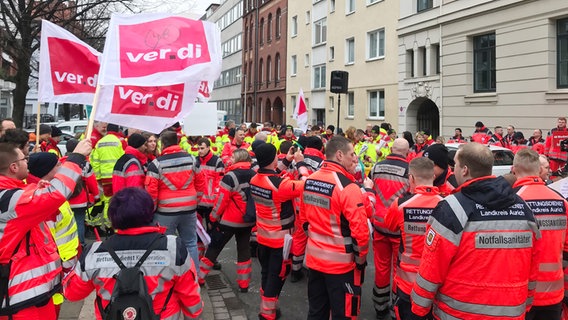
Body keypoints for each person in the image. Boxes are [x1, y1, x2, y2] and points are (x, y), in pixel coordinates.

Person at [411, 143, 541, 319]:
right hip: (511, 312)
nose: (453, 169)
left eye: (455, 164)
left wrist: (419, 308)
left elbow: (432, 266)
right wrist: (526, 302)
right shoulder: (523, 209)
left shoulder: (452, 208)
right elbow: (533, 264)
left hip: (458, 313)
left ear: (464, 170)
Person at [63, 187, 203, 319]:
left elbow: (72, 294)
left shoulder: (93, 253)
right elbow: (191, 299)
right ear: (150, 212)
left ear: (113, 217)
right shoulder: (173, 248)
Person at [0, 139, 91, 320]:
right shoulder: (8, 198)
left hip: (29, 295)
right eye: (24, 159)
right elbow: (56, 195)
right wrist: (76, 158)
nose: (28, 161)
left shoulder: (11, 195)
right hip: (21, 300)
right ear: (13, 167)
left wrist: (36, 189)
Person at [299, 135, 374, 320]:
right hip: (342, 267)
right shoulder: (348, 188)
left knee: (317, 312)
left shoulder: (310, 180)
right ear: (339, 155)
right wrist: (360, 259)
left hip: (315, 261)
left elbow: (304, 220)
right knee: (345, 314)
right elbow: (361, 233)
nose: (355, 159)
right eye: (352, 154)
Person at [250, 143, 305, 320]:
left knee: (266, 273)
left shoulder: (255, 179)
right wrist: (300, 164)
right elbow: (306, 184)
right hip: (281, 241)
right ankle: (267, 313)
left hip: (263, 236)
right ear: (273, 158)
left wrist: (287, 160)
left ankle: (270, 307)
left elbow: (272, 176)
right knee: (277, 276)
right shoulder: (281, 186)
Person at [383, 157, 442, 320]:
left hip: (407, 285)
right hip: (436, 286)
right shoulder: (446, 205)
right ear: (434, 177)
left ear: (411, 178)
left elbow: (390, 226)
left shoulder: (401, 204)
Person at [512, 149, 568, 320]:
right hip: (554, 293)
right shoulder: (561, 201)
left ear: (514, 169)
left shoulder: (512, 201)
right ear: (539, 169)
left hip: (520, 294)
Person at [197, 149, 256, 292]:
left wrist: (213, 217)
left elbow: (221, 201)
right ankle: (244, 284)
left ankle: (199, 278)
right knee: (243, 252)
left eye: (232, 156)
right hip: (247, 221)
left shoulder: (230, 176)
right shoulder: (254, 175)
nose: (230, 158)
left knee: (214, 248)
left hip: (229, 221)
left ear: (237, 158)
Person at [369, 138, 410, 320]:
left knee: (381, 267)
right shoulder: (409, 171)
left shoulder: (377, 167)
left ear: (391, 149)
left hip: (378, 225)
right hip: (398, 228)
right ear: (407, 152)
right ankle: (395, 309)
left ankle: (379, 306)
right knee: (398, 270)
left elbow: (372, 189)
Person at [145, 130, 200, 267]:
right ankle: (194, 276)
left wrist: (152, 209)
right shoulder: (192, 159)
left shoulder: (156, 164)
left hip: (165, 211)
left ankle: (169, 278)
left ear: (162, 144)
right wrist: (195, 201)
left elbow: (151, 191)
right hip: (189, 208)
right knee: (191, 243)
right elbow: (201, 183)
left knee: (164, 244)